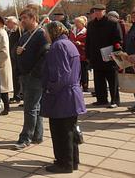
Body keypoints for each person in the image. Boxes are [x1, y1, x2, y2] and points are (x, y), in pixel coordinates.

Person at [41, 21, 86, 173]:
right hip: (71, 93)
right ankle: (72, 161)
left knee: (61, 131)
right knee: (69, 130)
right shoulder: (68, 43)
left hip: (62, 96)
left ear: (53, 31)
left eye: (46, 32)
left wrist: (49, 89)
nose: (45, 35)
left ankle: (64, 163)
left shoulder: (57, 46)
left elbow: (59, 74)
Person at [14, 8, 49, 150]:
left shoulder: (41, 35)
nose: (22, 21)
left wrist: (34, 73)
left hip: (34, 77)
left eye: (24, 18)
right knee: (36, 107)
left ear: (33, 18)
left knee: (30, 107)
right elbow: (18, 50)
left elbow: (45, 56)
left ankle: (25, 137)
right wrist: (18, 52)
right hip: (25, 75)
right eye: (21, 18)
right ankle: (37, 135)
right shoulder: (25, 35)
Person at [85, 4, 122, 108]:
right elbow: (88, 41)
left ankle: (115, 100)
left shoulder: (112, 23)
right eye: (95, 11)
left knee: (112, 80)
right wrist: (88, 55)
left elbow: (118, 40)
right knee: (98, 79)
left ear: (104, 12)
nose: (97, 13)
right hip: (96, 56)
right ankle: (101, 99)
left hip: (109, 56)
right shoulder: (91, 24)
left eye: (100, 11)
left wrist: (115, 52)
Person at [0, 15, 13, 115]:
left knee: (3, 88)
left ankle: (6, 107)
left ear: (0, 23)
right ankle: (4, 107)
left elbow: (4, 51)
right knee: (1, 88)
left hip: (1, 64)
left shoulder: (2, 33)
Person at [69, 16, 89, 92]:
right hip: (73, 54)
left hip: (82, 54)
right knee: (75, 70)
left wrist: (81, 44)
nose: (76, 24)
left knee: (84, 71)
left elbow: (88, 43)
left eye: (78, 23)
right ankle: (76, 84)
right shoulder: (72, 31)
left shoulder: (86, 32)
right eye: (75, 22)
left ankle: (85, 85)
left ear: (82, 24)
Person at [6, 16, 22, 103]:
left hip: (17, 57)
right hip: (11, 56)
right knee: (14, 77)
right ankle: (16, 94)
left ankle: (18, 95)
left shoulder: (19, 31)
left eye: (9, 22)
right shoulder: (10, 32)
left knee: (17, 78)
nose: (7, 23)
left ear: (14, 23)